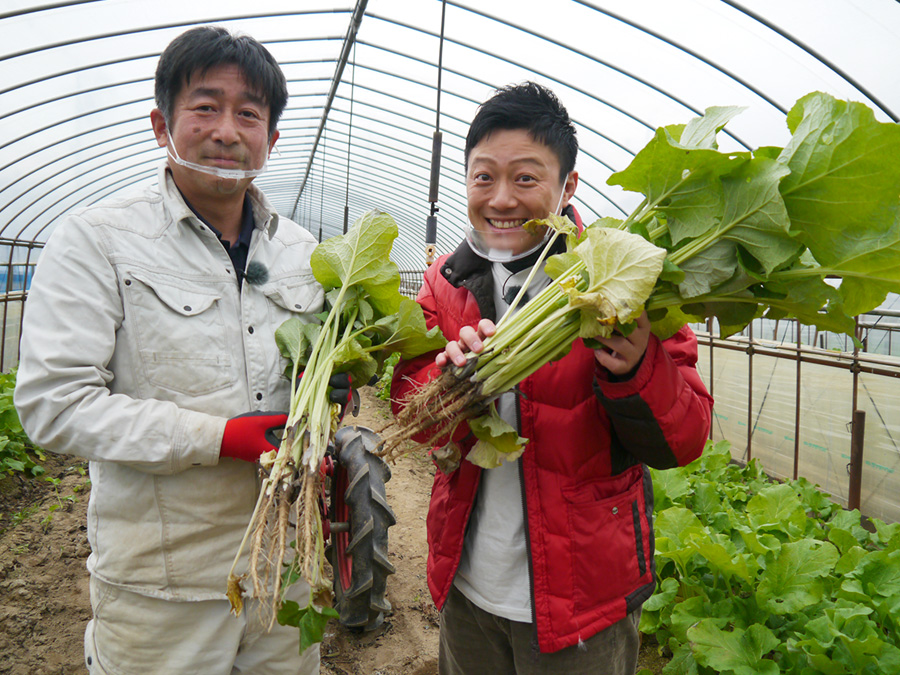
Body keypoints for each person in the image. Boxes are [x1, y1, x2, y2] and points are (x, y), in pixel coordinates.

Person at [14, 26, 331, 675]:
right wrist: (221, 437)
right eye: (205, 106)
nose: (226, 130)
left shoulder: (306, 254)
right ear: (163, 124)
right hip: (165, 589)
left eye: (249, 114)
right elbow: (54, 404)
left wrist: (334, 388)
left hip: (285, 571)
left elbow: (321, 369)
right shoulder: (98, 241)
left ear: (270, 140)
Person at [391, 82, 714, 674]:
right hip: (467, 581)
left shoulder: (625, 280)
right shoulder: (444, 281)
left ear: (568, 186)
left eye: (526, 178)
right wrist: (442, 390)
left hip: (582, 596)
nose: (501, 198)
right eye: (483, 177)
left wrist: (638, 367)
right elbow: (410, 416)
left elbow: (687, 439)